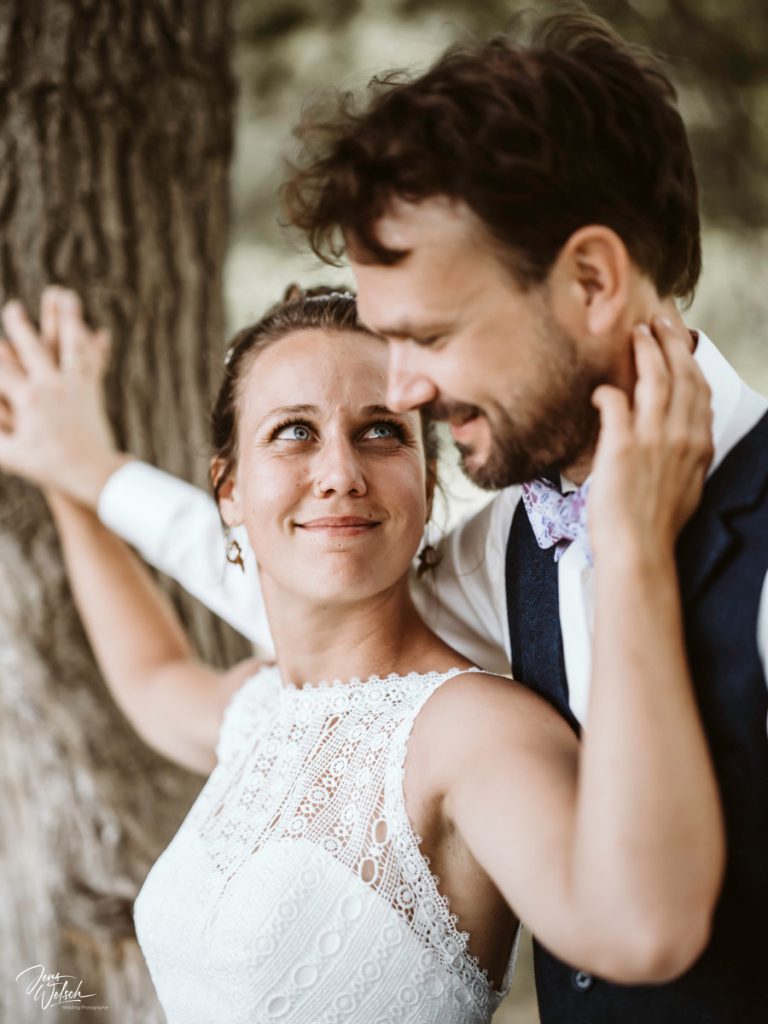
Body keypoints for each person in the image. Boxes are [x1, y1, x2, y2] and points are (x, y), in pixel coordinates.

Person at [24, 8, 766, 1023]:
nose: (406, 391)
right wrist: (84, 472)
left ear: (592, 279)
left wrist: (634, 551)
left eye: (427, 335)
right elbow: (292, 578)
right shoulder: (510, 545)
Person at [0, 284, 721, 1024]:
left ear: (427, 481)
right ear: (229, 491)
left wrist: (635, 551)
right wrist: (65, 476)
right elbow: (152, 679)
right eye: (293, 432)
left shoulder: (474, 731)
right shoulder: (265, 711)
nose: (341, 471)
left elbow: (635, 931)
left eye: (381, 431)